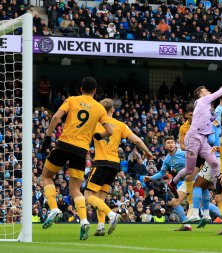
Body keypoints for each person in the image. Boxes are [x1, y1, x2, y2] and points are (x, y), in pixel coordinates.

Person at [40, 77, 113, 240]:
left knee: (46, 176)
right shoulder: (100, 108)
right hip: (81, 150)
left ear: (81, 89)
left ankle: (53, 208)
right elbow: (110, 131)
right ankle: (84, 220)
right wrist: (98, 135)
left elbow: (56, 118)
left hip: (64, 144)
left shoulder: (72, 100)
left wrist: (48, 136)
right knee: (75, 189)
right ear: (95, 91)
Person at [84, 98, 152, 236]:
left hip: (101, 162)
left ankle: (111, 215)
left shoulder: (95, 123)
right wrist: (148, 152)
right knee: (100, 197)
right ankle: (100, 226)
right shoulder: (121, 125)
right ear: (113, 109)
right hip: (115, 164)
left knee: (88, 195)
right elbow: (137, 140)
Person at [170, 76, 222, 192]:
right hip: (193, 137)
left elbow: (207, 117)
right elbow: (220, 92)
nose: (209, 91)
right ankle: (172, 183)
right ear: (201, 95)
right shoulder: (203, 100)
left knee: (214, 163)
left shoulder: (205, 106)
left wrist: (213, 120)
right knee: (189, 170)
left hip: (202, 139)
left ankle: (217, 188)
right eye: (206, 91)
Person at [144, 136, 196, 231]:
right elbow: (161, 173)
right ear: (165, 146)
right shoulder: (167, 160)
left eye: (172, 142)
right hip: (187, 182)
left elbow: (197, 158)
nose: (171, 144)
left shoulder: (183, 152)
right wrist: (150, 177)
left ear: (175, 144)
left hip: (196, 179)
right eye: (168, 143)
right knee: (174, 202)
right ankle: (186, 225)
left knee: (203, 204)